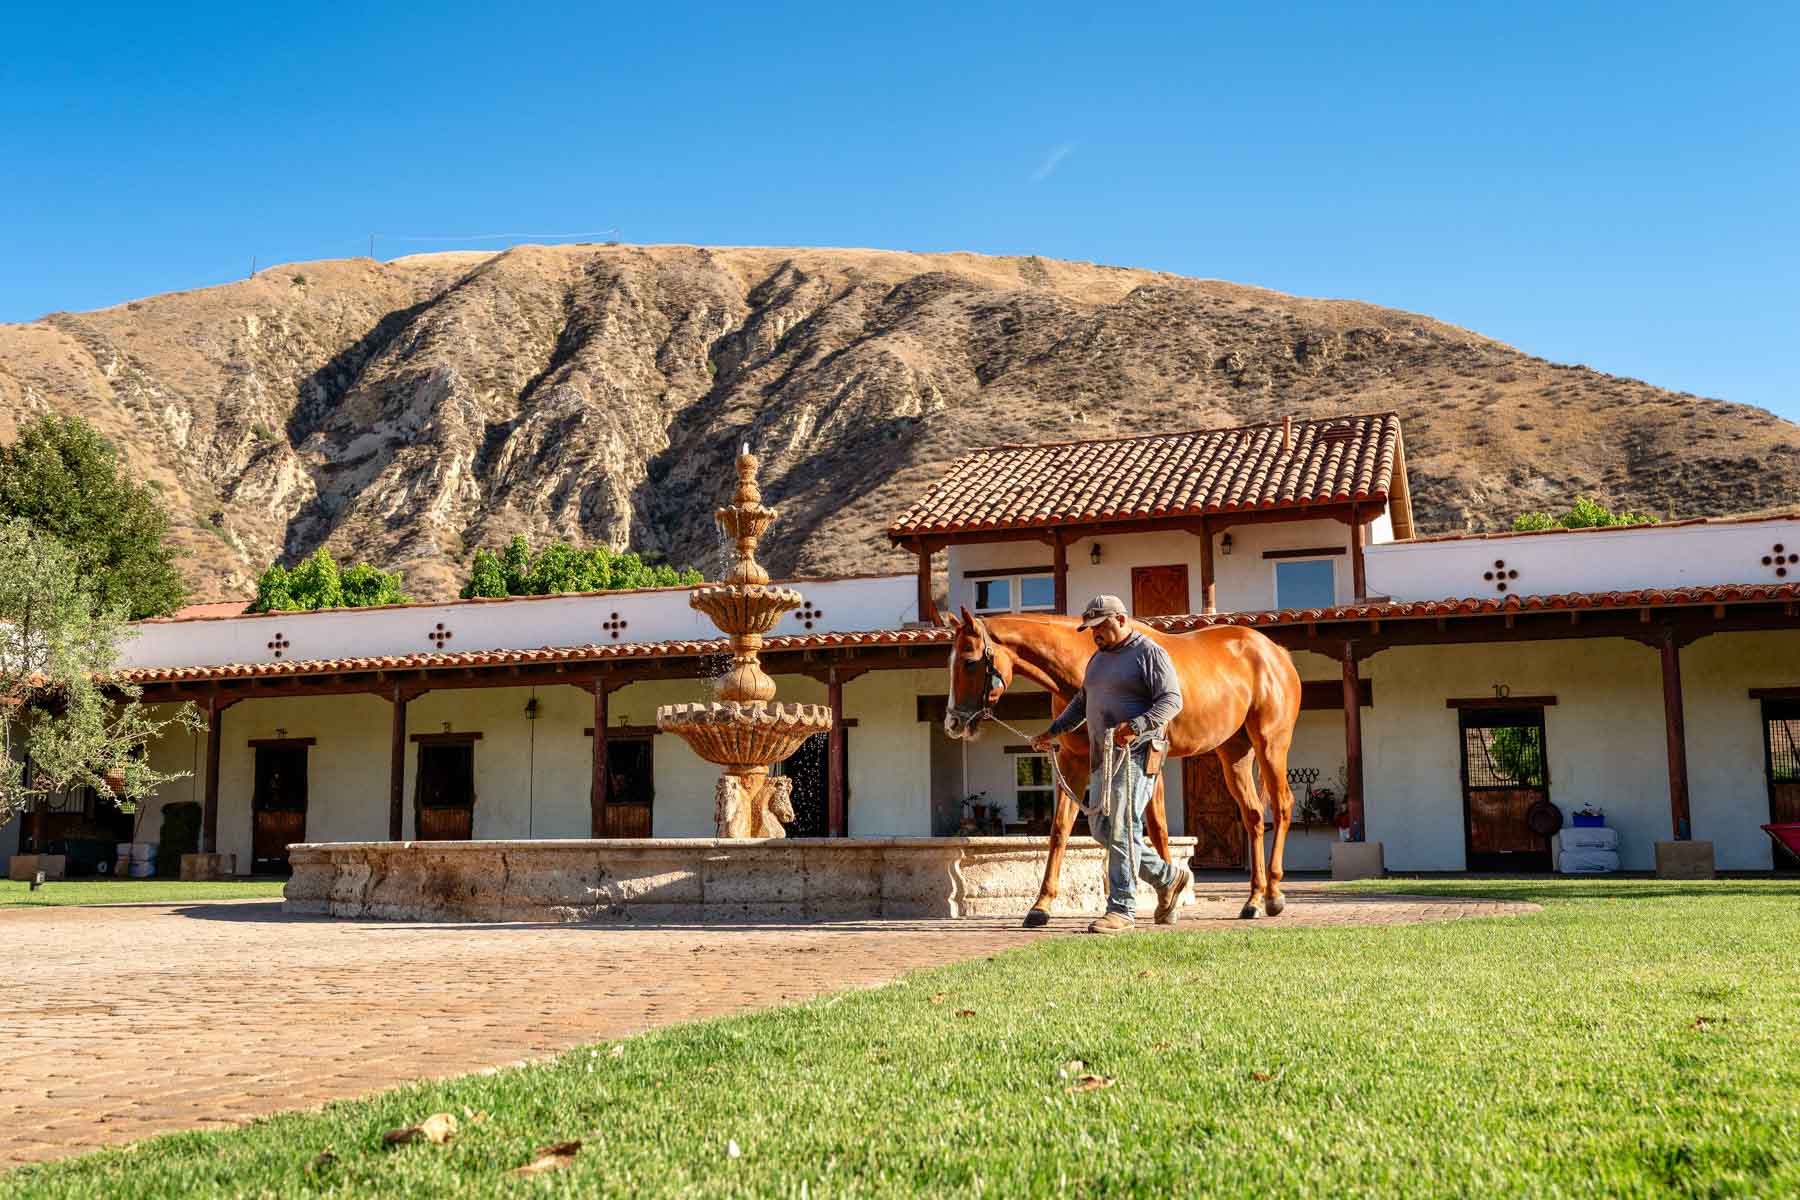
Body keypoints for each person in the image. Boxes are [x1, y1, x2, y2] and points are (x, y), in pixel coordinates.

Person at [1031, 595, 1191, 934]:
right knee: (1102, 829)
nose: (1095, 635)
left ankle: (1122, 910)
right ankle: (1170, 878)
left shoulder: (1148, 653)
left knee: (1121, 827)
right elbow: (1081, 701)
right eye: (1091, 629)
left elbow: (1172, 700)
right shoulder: (1097, 660)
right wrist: (1054, 731)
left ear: (1120, 619)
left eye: (1100, 627)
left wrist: (1137, 725)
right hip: (1103, 757)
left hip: (1136, 753)